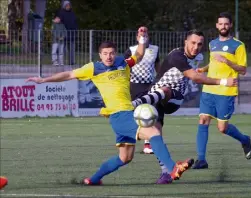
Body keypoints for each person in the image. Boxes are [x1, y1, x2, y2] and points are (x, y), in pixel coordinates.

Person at [26, 27, 194, 185]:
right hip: (120, 114)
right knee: (153, 131)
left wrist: (142, 38)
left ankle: (93, 180)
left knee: (125, 157)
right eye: (105, 54)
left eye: (112, 53)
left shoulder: (123, 63)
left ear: (116, 54)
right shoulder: (93, 68)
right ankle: (173, 168)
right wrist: (43, 80)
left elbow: (139, 55)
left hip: (125, 113)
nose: (109, 57)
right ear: (100, 55)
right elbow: (69, 74)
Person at [131, 29, 238, 184]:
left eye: (200, 44)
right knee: (156, 133)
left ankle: (134, 104)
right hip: (156, 95)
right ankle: (166, 173)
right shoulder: (177, 56)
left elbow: (194, 74)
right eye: (193, 43)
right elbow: (194, 77)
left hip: (174, 98)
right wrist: (222, 81)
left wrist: (207, 68)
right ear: (185, 42)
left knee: (166, 90)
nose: (196, 47)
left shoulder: (199, 56)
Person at [192, 12, 251, 169]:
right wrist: (203, 69)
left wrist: (227, 61)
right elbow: (213, 63)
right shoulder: (212, 44)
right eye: (221, 24)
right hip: (209, 88)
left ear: (230, 25)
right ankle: (201, 159)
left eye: (226, 24)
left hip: (226, 91)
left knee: (222, 128)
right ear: (217, 25)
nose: (223, 26)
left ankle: (245, 140)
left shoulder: (238, 45)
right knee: (203, 119)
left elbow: (243, 70)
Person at [124, 27, 160, 154]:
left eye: (145, 33)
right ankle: (130, 138)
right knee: (136, 113)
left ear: (149, 35)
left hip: (150, 85)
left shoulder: (155, 49)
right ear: (136, 36)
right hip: (135, 85)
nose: (143, 35)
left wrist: (159, 79)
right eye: (140, 33)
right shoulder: (132, 50)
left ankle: (148, 143)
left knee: (150, 113)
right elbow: (126, 68)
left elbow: (157, 65)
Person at [58, 0, 78, 65]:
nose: (68, 6)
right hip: (64, 34)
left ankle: (71, 61)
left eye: (69, 5)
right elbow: (59, 23)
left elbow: (75, 22)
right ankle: (61, 62)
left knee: (72, 49)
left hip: (72, 33)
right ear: (64, 6)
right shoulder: (61, 13)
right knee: (62, 49)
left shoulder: (72, 13)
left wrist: (76, 31)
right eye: (67, 5)